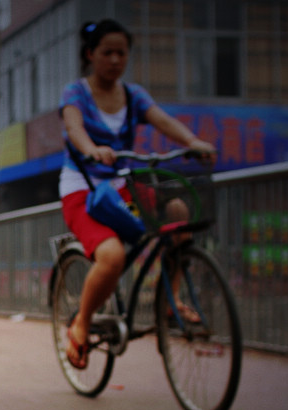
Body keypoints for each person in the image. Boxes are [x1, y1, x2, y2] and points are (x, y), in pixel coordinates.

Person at [60, 18, 216, 369]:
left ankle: (170, 302)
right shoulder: (75, 93)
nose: (115, 60)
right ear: (90, 54)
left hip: (122, 185)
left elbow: (162, 120)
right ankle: (81, 324)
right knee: (112, 255)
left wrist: (191, 142)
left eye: (122, 53)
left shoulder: (134, 95)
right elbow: (73, 127)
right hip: (83, 189)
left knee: (177, 210)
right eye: (107, 52)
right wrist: (91, 149)